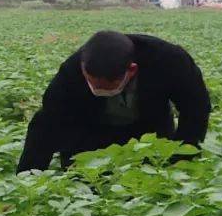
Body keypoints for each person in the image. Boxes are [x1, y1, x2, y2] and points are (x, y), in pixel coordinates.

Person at [17, 30, 211, 172]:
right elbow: (47, 124)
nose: (99, 91)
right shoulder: (71, 72)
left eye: (107, 87)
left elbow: (196, 108)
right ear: (84, 68)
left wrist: (181, 158)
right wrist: (28, 179)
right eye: (94, 85)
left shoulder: (169, 61)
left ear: (132, 70)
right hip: (91, 136)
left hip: (150, 136)